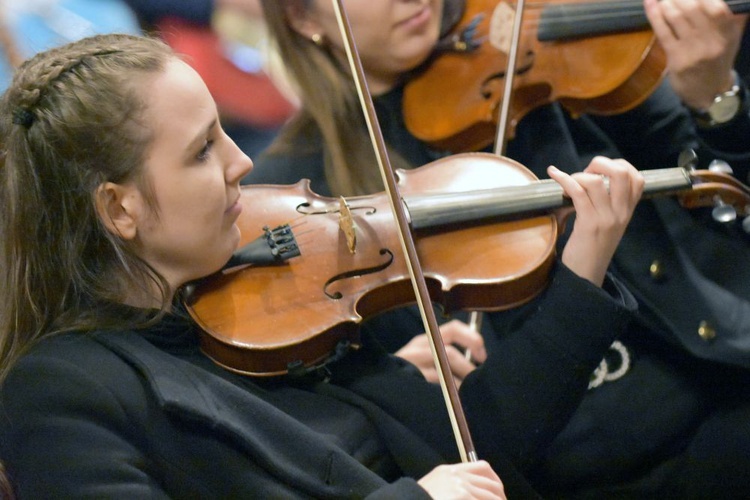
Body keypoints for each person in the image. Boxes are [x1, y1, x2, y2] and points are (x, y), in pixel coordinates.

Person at [0, 33, 648, 498]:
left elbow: (485, 456)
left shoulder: (266, 307)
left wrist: (581, 268)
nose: (241, 162)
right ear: (120, 209)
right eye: (201, 151)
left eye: (224, 132)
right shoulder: (58, 391)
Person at [247, 0, 750, 497]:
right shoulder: (298, 195)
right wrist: (394, 386)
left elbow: (723, 198)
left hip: (709, 394)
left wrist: (715, 99)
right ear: (304, 17)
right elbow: (336, 420)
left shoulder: (539, 60)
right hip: (556, 468)